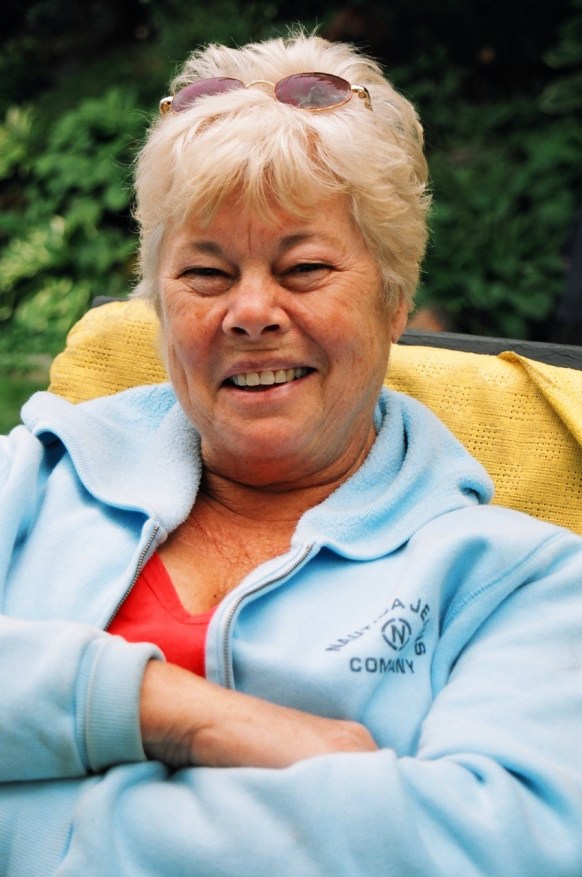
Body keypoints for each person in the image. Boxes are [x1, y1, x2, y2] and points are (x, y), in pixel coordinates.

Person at [1, 30, 582, 877]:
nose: (250, 313)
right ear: (158, 305)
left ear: (395, 301)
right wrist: (172, 709)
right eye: (205, 273)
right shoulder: (31, 478)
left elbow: (503, 844)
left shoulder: (521, 580)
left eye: (304, 268)